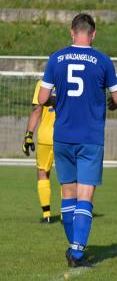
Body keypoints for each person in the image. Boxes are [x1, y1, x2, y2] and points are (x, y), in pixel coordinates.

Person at [38, 13, 117, 268]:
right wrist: (116, 103)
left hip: (63, 136)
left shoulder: (56, 58)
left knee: (68, 194)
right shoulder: (102, 60)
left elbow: (43, 97)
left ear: (71, 32)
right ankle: (76, 253)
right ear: (93, 34)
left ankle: (74, 245)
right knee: (85, 196)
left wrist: (59, 99)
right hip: (90, 137)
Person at [22, 80, 58, 223]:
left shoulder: (42, 83)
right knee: (67, 177)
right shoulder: (68, 81)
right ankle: (66, 215)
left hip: (45, 136)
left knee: (42, 173)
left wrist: (28, 136)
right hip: (65, 136)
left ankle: (46, 215)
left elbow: (37, 111)